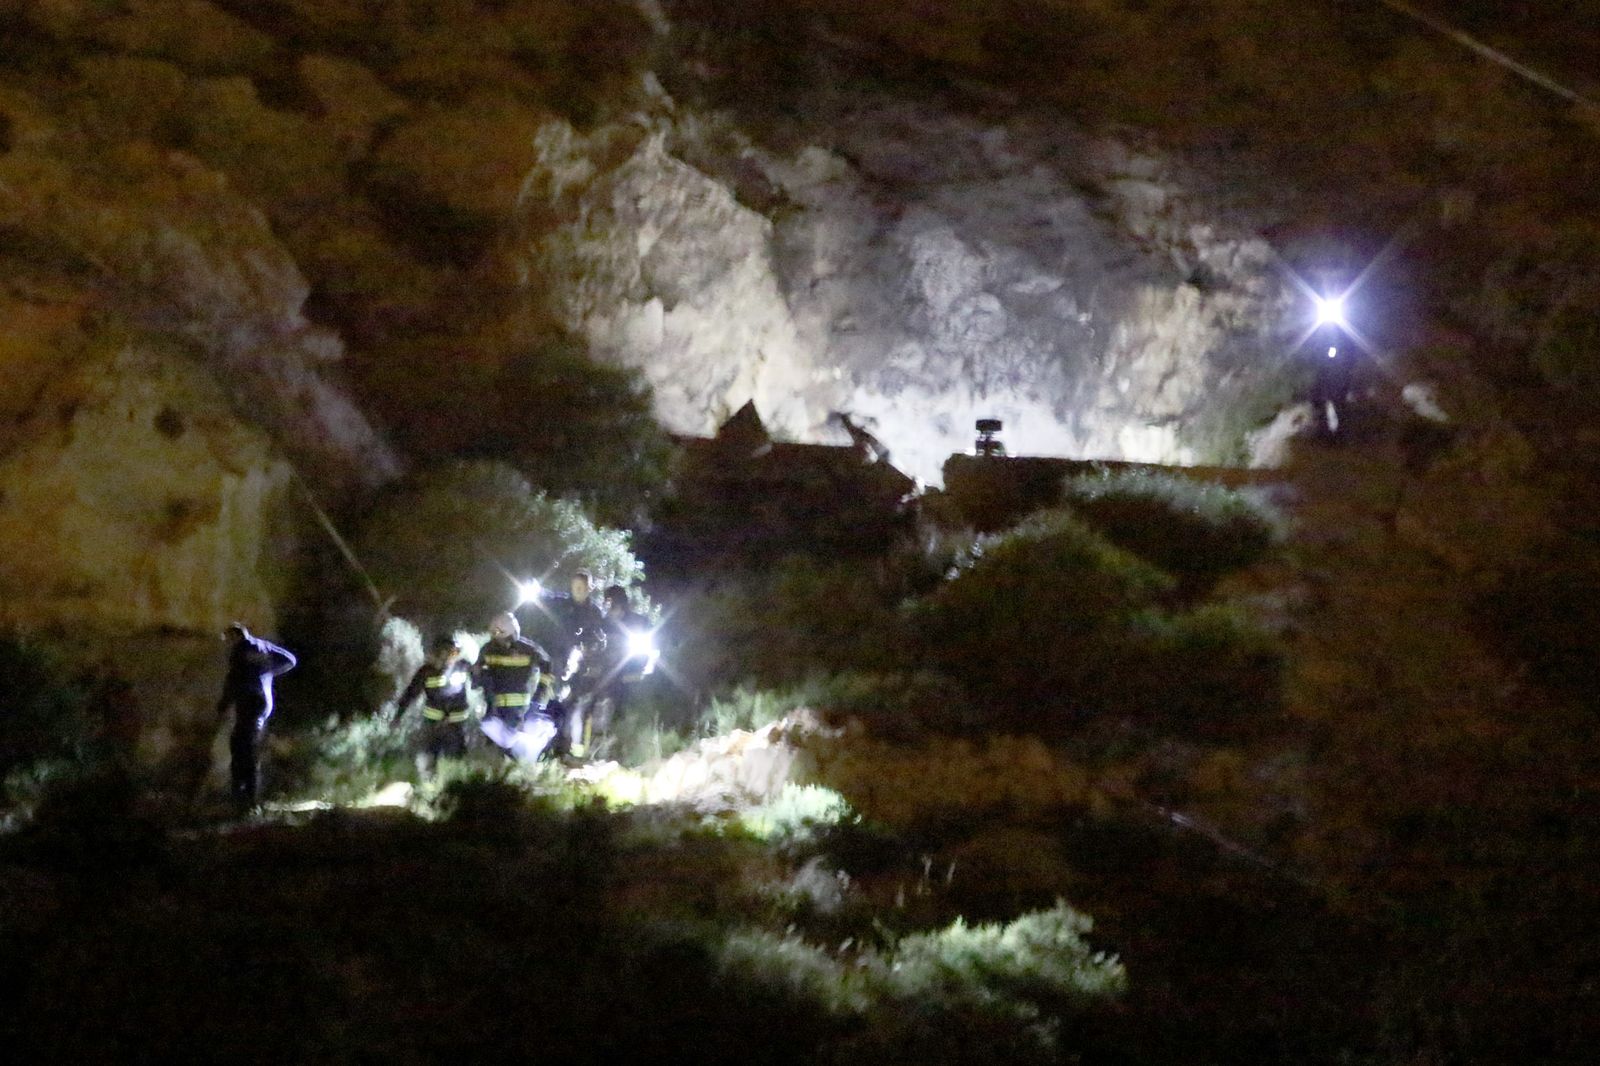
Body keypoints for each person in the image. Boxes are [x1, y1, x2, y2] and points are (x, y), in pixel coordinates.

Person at [216, 622, 297, 810]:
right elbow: (290, 660)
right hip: (263, 701)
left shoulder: (239, 651)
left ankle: (243, 797)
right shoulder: (263, 647)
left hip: (249, 700)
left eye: (227, 639)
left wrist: (222, 706)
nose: (226, 643)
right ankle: (247, 796)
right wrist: (267, 672)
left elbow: (233, 680)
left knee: (240, 746)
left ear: (235, 636)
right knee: (247, 744)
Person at [539, 569, 606, 756]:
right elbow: (545, 598)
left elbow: (599, 637)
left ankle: (567, 747)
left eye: (581, 587)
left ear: (589, 588)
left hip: (582, 666)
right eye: (575, 586)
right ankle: (549, 745)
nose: (577, 590)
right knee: (554, 699)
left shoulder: (594, 611)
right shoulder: (561, 603)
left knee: (574, 704)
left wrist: (589, 649)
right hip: (559, 660)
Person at [584, 585, 657, 755]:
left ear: (622, 603)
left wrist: (647, 668)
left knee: (627, 713)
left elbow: (653, 649)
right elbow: (591, 646)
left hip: (632, 675)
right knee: (594, 708)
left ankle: (625, 750)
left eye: (613, 604)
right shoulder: (601, 624)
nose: (610, 608)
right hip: (605, 676)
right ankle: (594, 748)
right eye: (607, 603)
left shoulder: (640, 622)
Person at [475, 611, 556, 760]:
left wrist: (539, 695)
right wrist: (477, 678)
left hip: (520, 710)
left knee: (515, 751)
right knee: (495, 749)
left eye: (501, 636)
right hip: (495, 708)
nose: (498, 641)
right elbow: (478, 673)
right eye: (495, 636)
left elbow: (547, 666)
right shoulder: (488, 649)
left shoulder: (528, 650)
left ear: (512, 634)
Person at [396, 635, 474, 774]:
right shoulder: (426, 672)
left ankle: (456, 783)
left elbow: (479, 677)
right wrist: (398, 716)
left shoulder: (462, 666)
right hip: (434, 725)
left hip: (457, 725)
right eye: (449, 652)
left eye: (455, 652)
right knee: (432, 757)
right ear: (439, 653)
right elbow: (410, 694)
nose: (452, 656)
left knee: (457, 759)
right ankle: (431, 784)